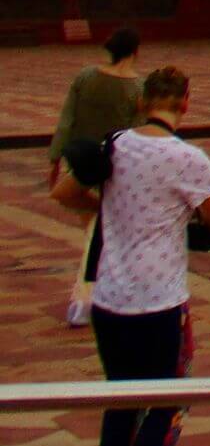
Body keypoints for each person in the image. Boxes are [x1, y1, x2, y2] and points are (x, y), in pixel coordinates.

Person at [51, 64, 210, 446]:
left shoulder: (115, 146)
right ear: (186, 104)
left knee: (119, 402)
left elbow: (63, 193)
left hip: (110, 297)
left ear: (141, 103)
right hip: (159, 300)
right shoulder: (188, 159)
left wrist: (110, 211)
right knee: (162, 403)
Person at [48, 26, 144, 327]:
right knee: (99, 233)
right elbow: (136, 133)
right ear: (134, 52)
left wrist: (55, 156)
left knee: (96, 229)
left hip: (80, 160)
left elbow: (67, 118)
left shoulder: (86, 77)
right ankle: (86, 297)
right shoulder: (137, 87)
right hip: (114, 166)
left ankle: (99, 293)